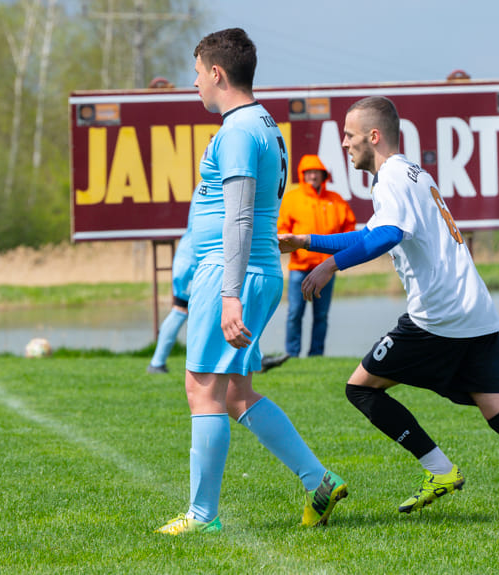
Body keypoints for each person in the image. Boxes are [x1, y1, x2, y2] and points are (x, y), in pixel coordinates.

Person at [278, 96, 499, 519]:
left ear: (373, 136)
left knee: (360, 387)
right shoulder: (413, 174)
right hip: (475, 311)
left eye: (348, 135)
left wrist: (328, 266)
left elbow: (386, 237)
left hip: (438, 317)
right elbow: (369, 233)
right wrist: (309, 243)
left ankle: (439, 469)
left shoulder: (391, 177)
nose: (343, 143)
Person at [155, 28, 348, 535]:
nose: (193, 82)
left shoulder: (238, 130)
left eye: (197, 72)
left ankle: (202, 517)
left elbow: (239, 218)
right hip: (259, 270)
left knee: (202, 388)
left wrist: (227, 294)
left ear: (217, 73)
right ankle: (320, 480)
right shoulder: (265, 124)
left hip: (230, 271)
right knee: (237, 392)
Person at [277, 154, 355, 359]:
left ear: (323, 175)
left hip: (327, 266)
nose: (313, 176)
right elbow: (282, 228)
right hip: (299, 267)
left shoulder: (335, 200)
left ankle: (316, 355)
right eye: (309, 172)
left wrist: (339, 253)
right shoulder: (292, 199)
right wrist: (291, 244)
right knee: (295, 313)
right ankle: (292, 355)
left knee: (321, 315)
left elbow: (350, 228)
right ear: (303, 175)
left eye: (317, 172)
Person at [147, 186, 199, 374]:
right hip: (193, 260)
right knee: (180, 310)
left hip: (190, 257)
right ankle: (157, 362)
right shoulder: (215, 184)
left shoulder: (205, 184)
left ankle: (252, 360)